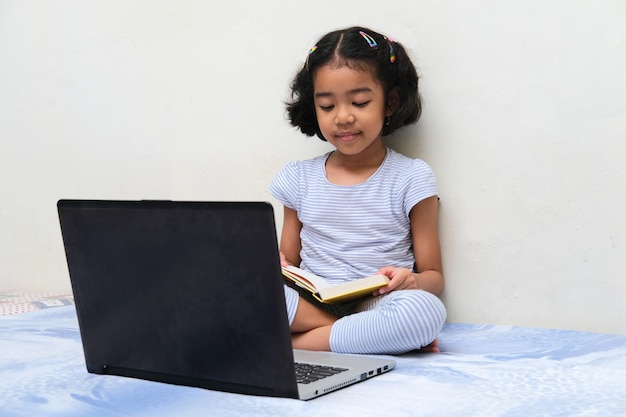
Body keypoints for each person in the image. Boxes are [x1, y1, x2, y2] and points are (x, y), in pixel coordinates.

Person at [269, 26, 446, 355]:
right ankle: (348, 336)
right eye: (326, 106)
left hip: (377, 305)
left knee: (424, 313)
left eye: (360, 102)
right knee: (238, 289)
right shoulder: (298, 178)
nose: (343, 117)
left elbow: (433, 276)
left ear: (389, 102)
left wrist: (413, 281)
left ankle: (293, 345)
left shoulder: (411, 177)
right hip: (310, 301)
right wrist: (273, 265)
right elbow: (288, 262)